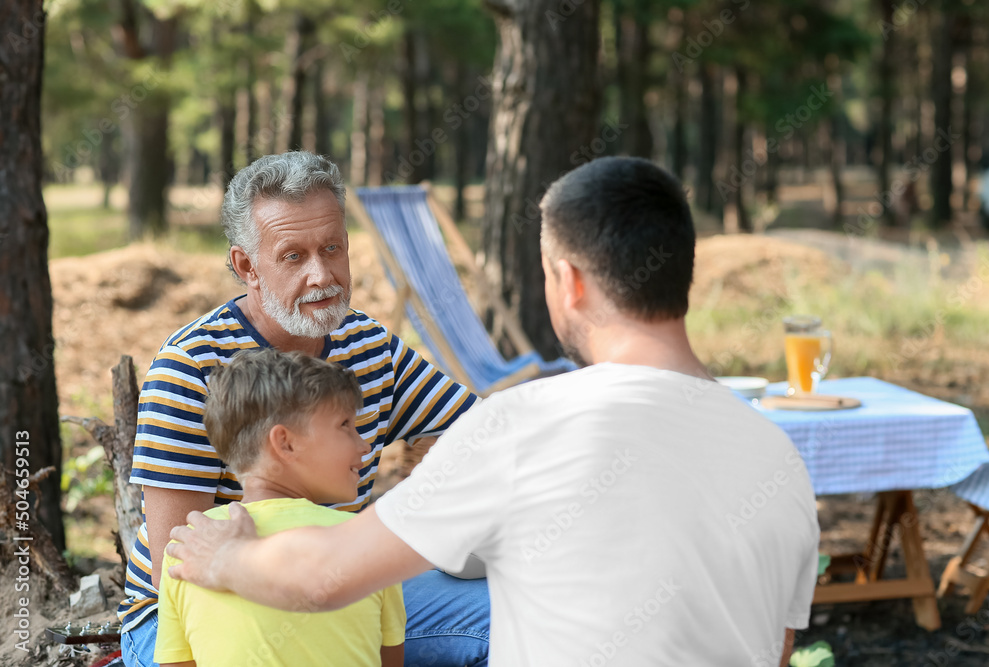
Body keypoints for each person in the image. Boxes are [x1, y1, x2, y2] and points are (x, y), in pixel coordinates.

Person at [165, 156, 821, 666]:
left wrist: (222, 559)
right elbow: (778, 645)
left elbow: (321, 575)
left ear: (570, 281)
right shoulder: (780, 456)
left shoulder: (522, 425)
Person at [117, 151, 488, 667]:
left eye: (332, 248)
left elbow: (481, 432)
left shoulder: (366, 343)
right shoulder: (192, 367)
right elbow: (175, 566)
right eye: (293, 256)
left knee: (512, 609)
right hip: (197, 608)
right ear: (246, 265)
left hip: (338, 578)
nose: (322, 275)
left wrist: (423, 513)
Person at [155, 348, 405, 666]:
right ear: (285, 443)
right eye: (345, 425)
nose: (364, 444)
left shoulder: (190, 544)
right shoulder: (369, 540)